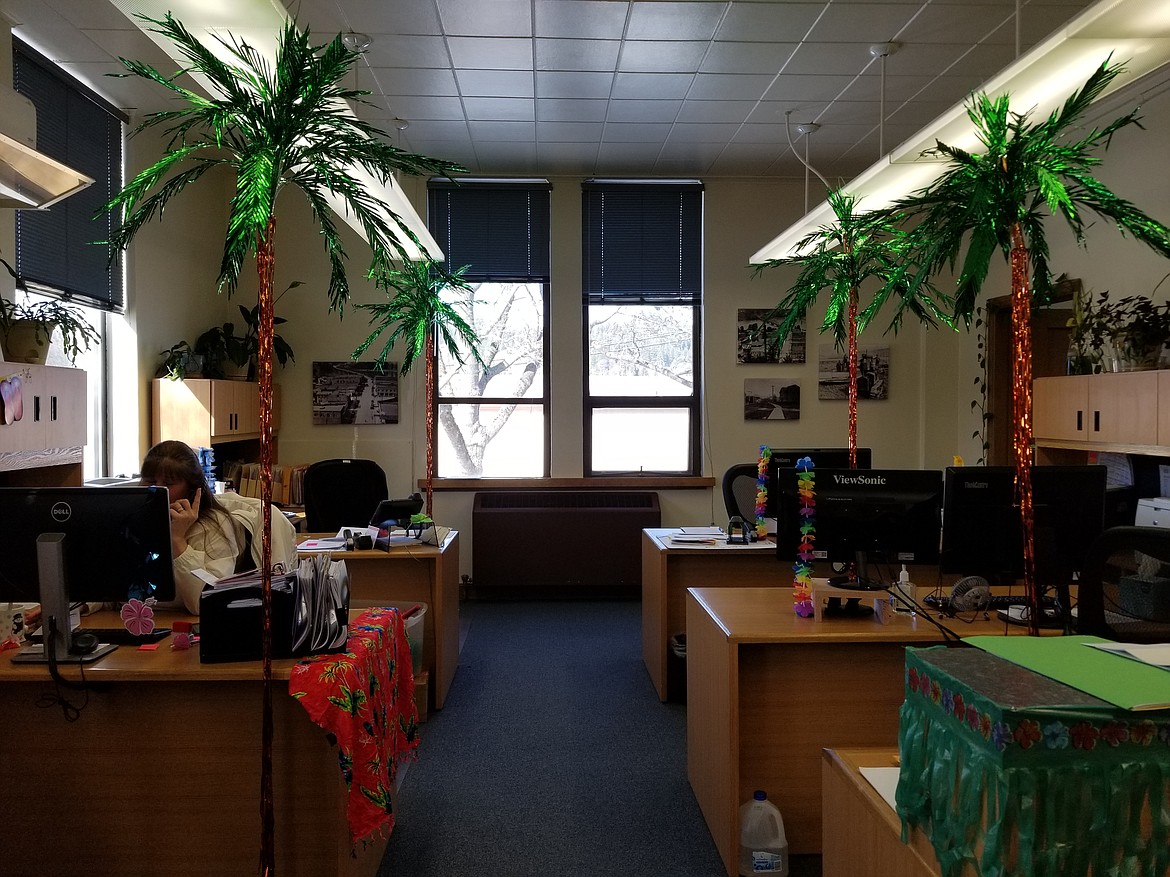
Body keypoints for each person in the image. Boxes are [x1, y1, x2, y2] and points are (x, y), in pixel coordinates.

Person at [139, 440, 298, 614]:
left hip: (181, 627)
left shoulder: (215, 527)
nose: (156, 489)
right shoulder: (133, 525)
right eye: (150, 481)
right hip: (133, 621)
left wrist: (178, 542)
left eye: (168, 483)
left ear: (193, 490)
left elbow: (205, 601)